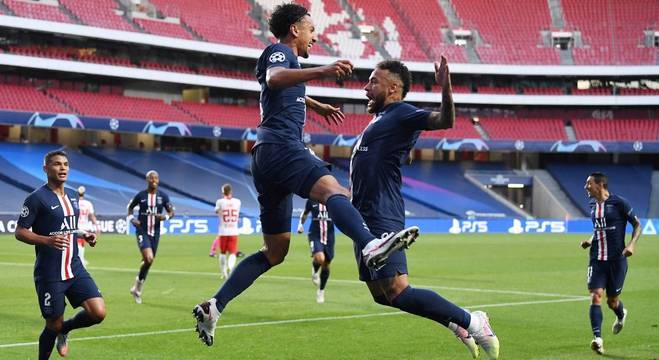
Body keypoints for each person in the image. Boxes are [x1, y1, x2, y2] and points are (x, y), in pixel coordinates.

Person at [192, 3, 419, 347]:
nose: (316, 36)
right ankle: (371, 245)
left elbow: (281, 90)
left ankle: (215, 305)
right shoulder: (281, 52)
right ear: (295, 30)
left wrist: (315, 105)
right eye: (312, 29)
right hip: (282, 146)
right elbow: (275, 79)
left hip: (265, 158)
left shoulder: (289, 63)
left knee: (274, 250)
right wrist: (324, 70)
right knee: (335, 193)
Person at [349, 58, 500, 359]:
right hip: (363, 215)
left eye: (373, 82)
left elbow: (445, 120)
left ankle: (473, 320)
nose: (366, 87)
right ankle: (455, 323)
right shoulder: (382, 118)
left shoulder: (402, 112)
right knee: (381, 296)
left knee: (397, 290)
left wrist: (446, 87)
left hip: (382, 210)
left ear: (393, 89)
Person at [15, 150, 106, 359]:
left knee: (98, 312)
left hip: (74, 267)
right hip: (50, 272)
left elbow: (67, 227)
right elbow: (20, 232)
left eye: (65, 164)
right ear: (46, 169)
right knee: (52, 325)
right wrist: (46, 240)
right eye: (57, 164)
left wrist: (84, 234)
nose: (63, 168)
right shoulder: (36, 198)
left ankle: (66, 329)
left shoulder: (73, 197)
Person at [581, 172, 641, 355]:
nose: (586, 186)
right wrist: (591, 240)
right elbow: (599, 229)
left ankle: (621, 314)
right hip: (597, 259)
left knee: (612, 302)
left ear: (600, 185)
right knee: (595, 296)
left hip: (617, 260)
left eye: (588, 183)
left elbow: (637, 225)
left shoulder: (619, 203)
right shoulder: (592, 205)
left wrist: (631, 244)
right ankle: (598, 339)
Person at [127, 170, 174, 304]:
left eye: (156, 178)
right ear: (147, 180)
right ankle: (137, 289)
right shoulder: (141, 196)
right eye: (151, 178)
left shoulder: (163, 196)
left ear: (158, 180)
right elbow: (130, 208)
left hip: (156, 233)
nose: (154, 180)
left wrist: (164, 216)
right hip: (142, 230)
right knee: (149, 258)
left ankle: (136, 289)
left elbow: (171, 212)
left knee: (148, 262)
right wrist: (132, 219)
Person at [297, 199, 335, 303]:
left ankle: (321, 291)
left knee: (326, 264)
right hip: (315, 234)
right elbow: (305, 213)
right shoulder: (312, 201)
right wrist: (300, 224)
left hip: (329, 236)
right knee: (320, 258)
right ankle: (314, 272)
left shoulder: (333, 201)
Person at [211, 184, 242, 279]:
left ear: (222, 192)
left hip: (223, 231)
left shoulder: (220, 202)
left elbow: (216, 211)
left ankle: (224, 272)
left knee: (223, 252)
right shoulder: (238, 202)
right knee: (233, 252)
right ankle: (231, 267)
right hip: (234, 230)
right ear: (231, 191)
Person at [76, 186, 99, 268]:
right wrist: (96, 226)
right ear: (84, 194)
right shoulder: (88, 203)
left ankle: (80, 260)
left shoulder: (74, 202)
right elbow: (92, 216)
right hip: (84, 227)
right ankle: (81, 262)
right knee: (81, 246)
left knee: (78, 245)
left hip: (76, 227)